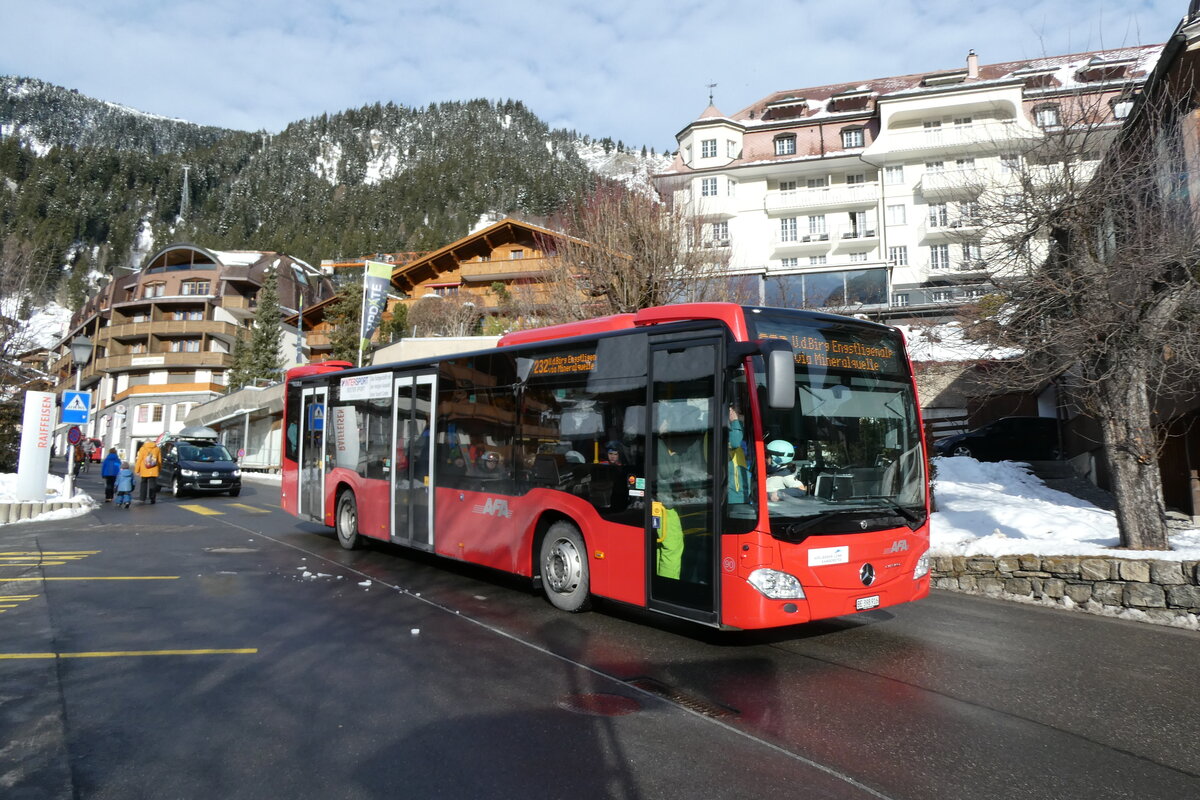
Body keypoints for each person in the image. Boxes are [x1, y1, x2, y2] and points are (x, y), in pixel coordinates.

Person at [134, 439, 163, 504]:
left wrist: (137, 470)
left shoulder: (142, 448)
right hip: (154, 469)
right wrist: (159, 469)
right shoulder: (157, 448)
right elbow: (159, 460)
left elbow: (139, 460)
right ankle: (152, 499)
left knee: (143, 483)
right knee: (152, 484)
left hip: (144, 469)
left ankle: (142, 498)